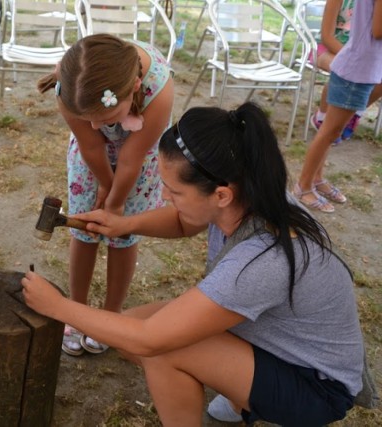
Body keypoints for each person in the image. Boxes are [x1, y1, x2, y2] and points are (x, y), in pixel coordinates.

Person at [21, 102, 364, 426]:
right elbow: (185, 222)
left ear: (221, 194)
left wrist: (58, 307)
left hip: (316, 384)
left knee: (162, 349)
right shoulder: (253, 195)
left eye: (175, 191)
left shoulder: (260, 261)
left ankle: (246, 395)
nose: (165, 196)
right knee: (124, 331)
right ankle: (239, 394)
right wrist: (125, 223)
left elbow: (149, 339)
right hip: (274, 337)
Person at [36, 34, 174, 356]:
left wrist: (114, 204)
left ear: (135, 87)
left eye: (106, 118)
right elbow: (91, 145)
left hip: (139, 161)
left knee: (123, 236)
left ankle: (111, 315)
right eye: (89, 119)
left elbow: (131, 159)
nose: (97, 125)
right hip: (91, 162)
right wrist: (102, 181)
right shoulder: (69, 90)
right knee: (83, 231)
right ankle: (76, 310)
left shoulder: (159, 90)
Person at [295, 0, 382, 213]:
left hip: (364, 66)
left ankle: (316, 179)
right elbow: (378, 29)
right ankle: (302, 186)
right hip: (357, 67)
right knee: (329, 132)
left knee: (333, 131)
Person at [310, 0, 363, 143]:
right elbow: (327, 37)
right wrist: (350, 57)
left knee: (373, 72)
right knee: (343, 67)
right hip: (328, 50)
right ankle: (322, 117)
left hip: (360, 55)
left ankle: (354, 113)